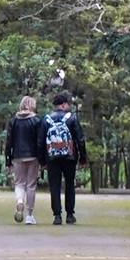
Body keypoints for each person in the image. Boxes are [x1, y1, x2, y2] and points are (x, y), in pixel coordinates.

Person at [42, 92, 87, 225]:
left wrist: (42, 160)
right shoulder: (72, 118)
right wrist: (82, 158)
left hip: (52, 157)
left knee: (54, 185)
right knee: (69, 185)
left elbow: (40, 141)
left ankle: (57, 215)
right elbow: (80, 139)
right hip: (69, 156)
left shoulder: (46, 119)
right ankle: (70, 214)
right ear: (63, 104)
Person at [5, 95, 47, 224]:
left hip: (18, 156)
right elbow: (40, 142)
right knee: (31, 185)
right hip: (33, 156)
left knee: (19, 183)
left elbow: (9, 142)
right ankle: (29, 214)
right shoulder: (36, 121)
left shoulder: (14, 121)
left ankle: (19, 201)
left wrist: (8, 159)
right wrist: (43, 160)